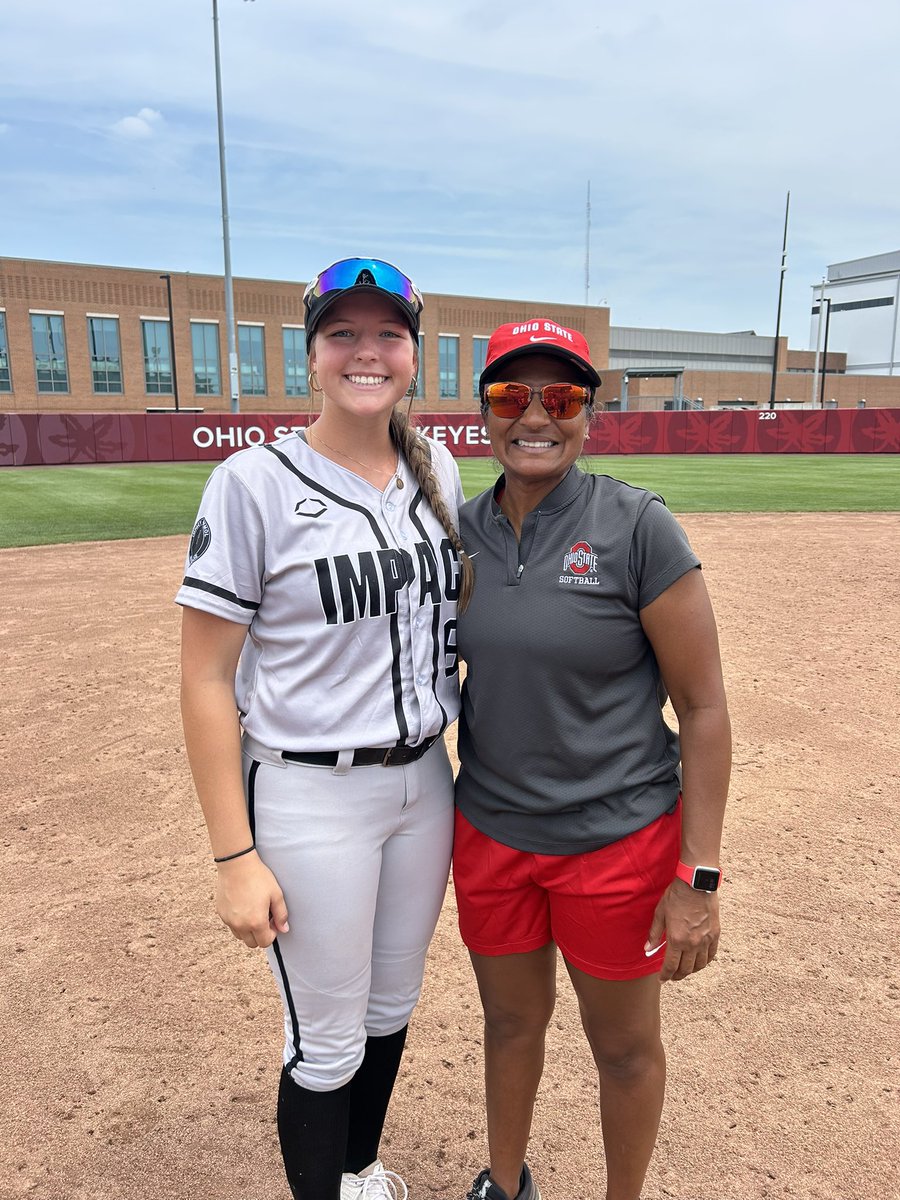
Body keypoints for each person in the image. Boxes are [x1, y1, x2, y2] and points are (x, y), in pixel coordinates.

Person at [178, 257, 473, 1200]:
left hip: (426, 783)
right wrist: (234, 857)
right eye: (342, 332)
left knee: (394, 1006)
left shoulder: (439, 472)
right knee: (326, 1038)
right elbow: (204, 677)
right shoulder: (251, 482)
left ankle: (358, 1168)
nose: (366, 351)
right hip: (309, 792)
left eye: (387, 333)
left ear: (414, 355)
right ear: (311, 355)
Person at [453, 320, 731, 1200]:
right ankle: (504, 1184)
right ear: (486, 413)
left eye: (561, 397)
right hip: (492, 834)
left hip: (617, 844)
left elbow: (705, 708)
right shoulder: (456, 534)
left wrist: (700, 874)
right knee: (508, 1025)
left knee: (621, 1046)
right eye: (511, 396)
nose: (536, 415)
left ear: (588, 414)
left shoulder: (638, 525)